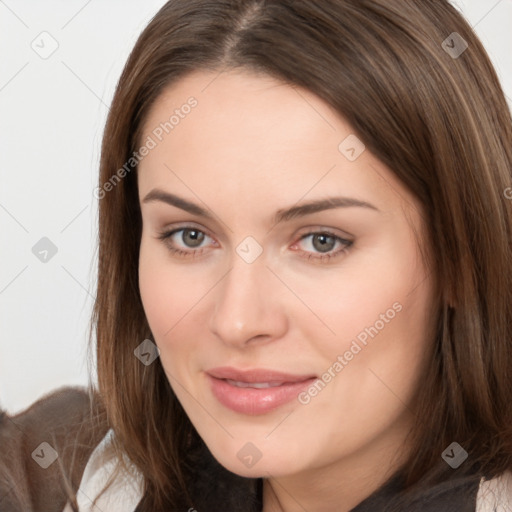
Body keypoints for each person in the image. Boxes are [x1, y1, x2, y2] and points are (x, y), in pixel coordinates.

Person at [69, 0, 512, 510]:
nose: (238, 321)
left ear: (460, 256)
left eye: (322, 241)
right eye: (190, 236)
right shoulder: (70, 475)